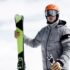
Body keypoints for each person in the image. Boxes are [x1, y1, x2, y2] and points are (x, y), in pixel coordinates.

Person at [15, 4, 70, 70]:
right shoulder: (43, 31)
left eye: (52, 12)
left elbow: (68, 49)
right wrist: (21, 37)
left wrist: (61, 62)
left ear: (57, 14)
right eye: (48, 13)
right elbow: (33, 43)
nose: (50, 15)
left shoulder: (63, 30)